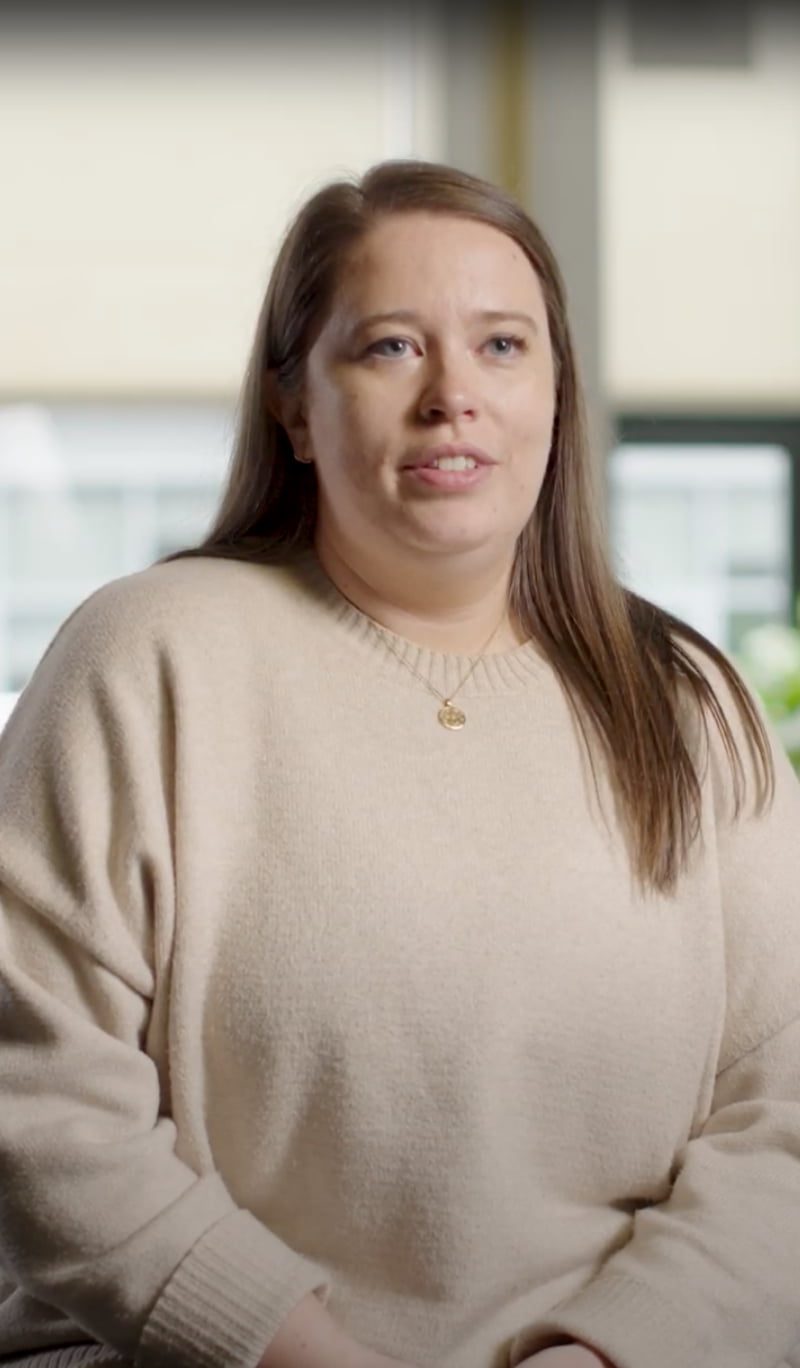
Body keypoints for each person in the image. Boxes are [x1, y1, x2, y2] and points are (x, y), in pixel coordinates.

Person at [0, 158, 798, 1368]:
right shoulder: (147, 656)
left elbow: (783, 1112)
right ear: (291, 404)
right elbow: (41, 1101)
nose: (451, 399)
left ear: (553, 392)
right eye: (387, 348)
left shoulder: (692, 706)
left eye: (499, 346)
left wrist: (610, 1355)